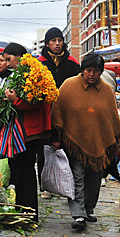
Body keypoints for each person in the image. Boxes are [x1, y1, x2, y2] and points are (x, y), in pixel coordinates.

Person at [51, 54, 120, 231]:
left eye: (96, 71)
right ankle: (78, 215)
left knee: (95, 178)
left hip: (99, 142)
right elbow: (58, 112)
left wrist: (115, 139)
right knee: (77, 177)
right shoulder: (69, 86)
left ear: (101, 72)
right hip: (74, 142)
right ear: (82, 69)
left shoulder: (107, 90)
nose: (92, 74)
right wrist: (56, 138)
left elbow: (112, 116)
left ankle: (88, 209)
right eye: (88, 70)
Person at [1, 42, 49, 221]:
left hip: (31, 131)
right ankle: (22, 210)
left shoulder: (32, 72)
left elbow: (36, 101)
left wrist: (15, 100)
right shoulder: (25, 71)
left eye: (9, 59)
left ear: (19, 56)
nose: (7, 63)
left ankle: (28, 213)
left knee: (26, 170)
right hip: (25, 130)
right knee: (21, 170)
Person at [36, 27, 81, 199]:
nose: (57, 43)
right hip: (45, 111)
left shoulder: (72, 63)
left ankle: (65, 184)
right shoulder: (39, 63)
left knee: (67, 147)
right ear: (47, 44)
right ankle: (45, 185)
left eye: (59, 40)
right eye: (53, 41)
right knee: (45, 148)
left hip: (68, 112)